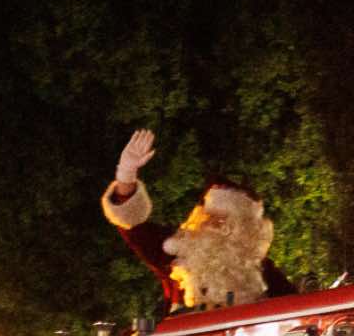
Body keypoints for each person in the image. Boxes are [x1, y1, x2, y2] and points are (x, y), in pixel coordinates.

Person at [98, 128, 295, 310]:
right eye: (208, 215)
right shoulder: (178, 254)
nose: (211, 223)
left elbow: (298, 312)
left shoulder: (263, 273)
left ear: (244, 230)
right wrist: (126, 177)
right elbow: (134, 228)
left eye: (222, 220)